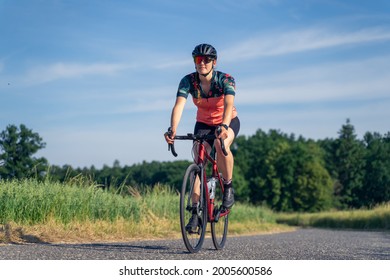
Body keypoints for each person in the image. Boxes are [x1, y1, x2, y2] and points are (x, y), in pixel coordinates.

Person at [164, 43, 240, 233]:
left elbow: (229, 104)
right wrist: (172, 129)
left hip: (227, 120)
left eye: (206, 60)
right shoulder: (188, 81)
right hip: (203, 124)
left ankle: (228, 186)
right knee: (198, 163)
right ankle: (196, 212)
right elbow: (179, 106)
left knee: (220, 143)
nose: (202, 63)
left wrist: (223, 126)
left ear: (214, 62)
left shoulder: (225, 79)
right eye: (199, 60)